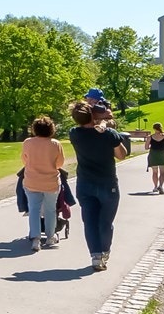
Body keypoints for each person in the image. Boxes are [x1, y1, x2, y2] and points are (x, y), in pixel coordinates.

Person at [68, 98, 132, 271]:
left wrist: (99, 120)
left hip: (85, 184)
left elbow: (87, 125)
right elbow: (121, 155)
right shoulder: (108, 134)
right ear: (92, 115)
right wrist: (105, 124)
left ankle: (96, 256)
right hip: (107, 183)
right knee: (105, 222)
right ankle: (105, 251)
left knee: (89, 221)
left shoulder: (74, 133)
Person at [20, 115, 66, 251]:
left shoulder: (28, 143)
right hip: (51, 182)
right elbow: (60, 163)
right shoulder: (55, 144)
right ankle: (50, 236)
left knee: (34, 209)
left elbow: (24, 160)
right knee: (50, 210)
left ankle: (35, 238)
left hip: (32, 181)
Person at [146, 122, 164, 194]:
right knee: (162, 173)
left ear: (154, 128)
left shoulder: (150, 137)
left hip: (153, 155)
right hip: (163, 155)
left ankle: (155, 187)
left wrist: (152, 146)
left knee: (155, 172)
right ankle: (161, 186)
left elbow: (146, 147)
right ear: (161, 128)